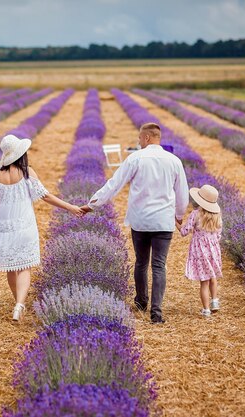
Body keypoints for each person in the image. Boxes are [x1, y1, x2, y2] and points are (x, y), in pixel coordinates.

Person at [81, 122, 189, 324]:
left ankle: (141, 301)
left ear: (147, 138)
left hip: (141, 219)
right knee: (159, 265)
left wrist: (92, 204)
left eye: (140, 138)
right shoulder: (174, 161)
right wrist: (180, 214)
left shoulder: (136, 159)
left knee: (141, 262)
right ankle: (156, 313)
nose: (139, 142)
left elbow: (114, 184)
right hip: (163, 221)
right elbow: (182, 192)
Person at [0, 134, 84, 321]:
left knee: (11, 268)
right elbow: (45, 196)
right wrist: (70, 207)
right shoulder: (27, 172)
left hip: (4, 228)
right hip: (24, 225)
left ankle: (18, 303)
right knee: (24, 267)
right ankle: (19, 304)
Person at [179, 184, 223, 317]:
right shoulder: (217, 216)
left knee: (204, 281)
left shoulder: (195, 214)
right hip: (214, 250)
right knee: (212, 276)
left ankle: (206, 310)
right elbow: (219, 234)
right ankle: (215, 301)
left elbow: (184, 231)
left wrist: (176, 222)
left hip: (200, 252)